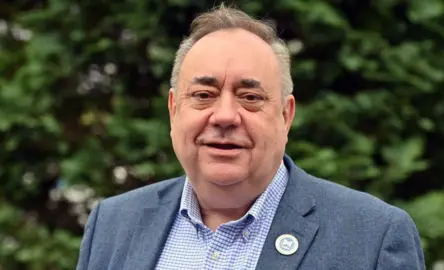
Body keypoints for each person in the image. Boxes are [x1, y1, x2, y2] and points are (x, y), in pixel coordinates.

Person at [76, 4, 426, 270]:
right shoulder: (113, 223)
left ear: (286, 116)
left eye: (250, 97)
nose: (225, 116)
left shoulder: (373, 237)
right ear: (173, 110)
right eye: (203, 95)